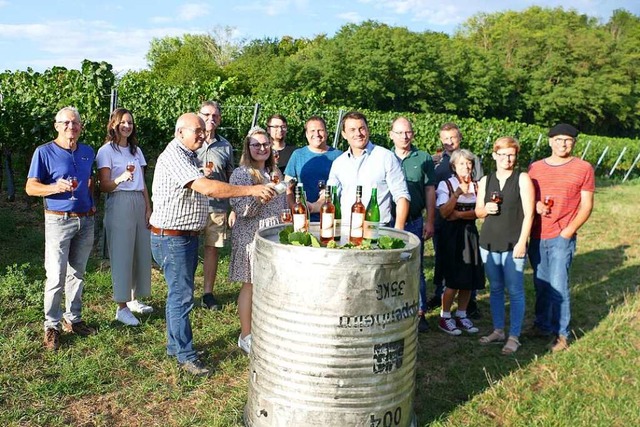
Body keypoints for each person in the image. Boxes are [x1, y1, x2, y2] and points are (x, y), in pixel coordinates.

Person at [149, 113, 275, 376]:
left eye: (203, 131)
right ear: (179, 132)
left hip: (182, 236)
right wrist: (251, 190)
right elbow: (207, 188)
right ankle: (185, 355)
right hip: (172, 237)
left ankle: (176, 347)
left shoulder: (188, 156)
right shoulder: (175, 155)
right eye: (197, 131)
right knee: (182, 297)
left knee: (179, 294)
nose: (203, 135)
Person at [26, 106, 97, 351]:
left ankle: (73, 318)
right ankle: (52, 325)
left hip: (85, 220)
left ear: (80, 127)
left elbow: (89, 181)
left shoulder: (88, 151)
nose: (71, 127)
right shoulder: (43, 152)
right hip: (58, 219)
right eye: (65, 123)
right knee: (56, 275)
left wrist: (92, 204)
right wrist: (55, 188)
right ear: (56, 126)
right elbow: (31, 188)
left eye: (75, 123)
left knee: (77, 273)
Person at [527, 123, 595, 352]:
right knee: (541, 283)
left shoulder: (583, 168)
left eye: (567, 140)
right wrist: (535, 205)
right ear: (549, 142)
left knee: (559, 285)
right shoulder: (535, 168)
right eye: (558, 139)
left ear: (574, 142)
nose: (562, 144)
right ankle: (542, 324)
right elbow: (528, 197)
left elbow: (586, 206)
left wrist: (568, 231)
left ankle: (561, 334)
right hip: (536, 234)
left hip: (561, 236)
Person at [229, 127, 288, 355]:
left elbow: (282, 204)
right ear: (248, 148)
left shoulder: (275, 173)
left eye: (265, 144)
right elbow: (243, 211)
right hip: (252, 234)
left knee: (271, 284)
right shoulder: (241, 174)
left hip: (274, 233)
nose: (262, 148)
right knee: (251, 284)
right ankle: (245, 336)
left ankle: (265, 329)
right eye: (257, 145)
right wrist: (261, 198)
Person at [475, 137, 535, 354]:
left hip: (513, 244)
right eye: (502, 155)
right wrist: (485, 209)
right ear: (494, 155)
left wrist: (522, 243)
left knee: (516, 290)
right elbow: (478, 212)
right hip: (488, 243)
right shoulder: (485, 181)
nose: (507, 159)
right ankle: (498, 330)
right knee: (496, 289)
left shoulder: (522, 179)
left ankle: (514, 336)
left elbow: (529, 215)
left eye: (511, 155)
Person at [96, 108, 153, 327]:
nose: (127, 126)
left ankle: (134, 298)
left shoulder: (136, 151)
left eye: (130, 122)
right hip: (119, 201)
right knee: (122, 253)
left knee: (139, 250)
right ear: (113, 125)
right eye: (122, 122)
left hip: (138, 201)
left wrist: (148, 208)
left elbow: (142, 183)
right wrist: (120, 178)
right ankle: (121, 307)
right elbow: (104, 186)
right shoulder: (106, 151)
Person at [430, 122, 484, 318]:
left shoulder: (472, 160)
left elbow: (480, 204)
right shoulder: (436, 162)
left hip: (467, 227)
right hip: (443, 223)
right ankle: (441, 297)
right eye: (445, 139)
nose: (449, 142)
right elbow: (440, 203)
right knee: (444, 262)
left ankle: (468, 304)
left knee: (469, 265)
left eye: (452, 137)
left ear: (459, 138)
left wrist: (460, 215)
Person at [390, 117, 436, 333]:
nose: (404, 137)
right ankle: (392, 310)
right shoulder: (385, 157)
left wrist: (430, 220)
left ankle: (420, 312)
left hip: (414, 221)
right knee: (390, 267)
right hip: (390, 223)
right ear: (391, 135)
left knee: (415, 268)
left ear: (413, 134)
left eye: (407, 132)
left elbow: (429, 191)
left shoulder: (423, 158)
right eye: (399, 133)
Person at [327, 111, 410, 230]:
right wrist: (311, 206)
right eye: (352, 130)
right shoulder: (338, 163)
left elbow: (402, 196)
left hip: (378, 230)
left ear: (368, 130)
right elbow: (330, 197)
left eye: (361, 128)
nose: (358, 133)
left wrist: (398, 230)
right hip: (346, 231)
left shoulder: (386, 157)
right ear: (344, 134)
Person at [196, 101, 235, 310]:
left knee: (212, 249)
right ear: (198, 115)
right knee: (188, 249)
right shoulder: (189, 141)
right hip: (192, 205)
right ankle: (185, 291)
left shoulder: (225, 146)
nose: (211, 119)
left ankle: (207, 293)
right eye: (207, 114)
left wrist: (233, 207)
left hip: (217, 206)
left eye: (215, 116)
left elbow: (231, 178)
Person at [284, 115, 342, 221]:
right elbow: (287, 187)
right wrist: (294, 209)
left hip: (331, 217)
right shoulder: (298, 155)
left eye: (320, 130)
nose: (317, 134)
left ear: (326, 133)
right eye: (312, 131)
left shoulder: (339, 156)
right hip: (304, 218)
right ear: (306, 134)